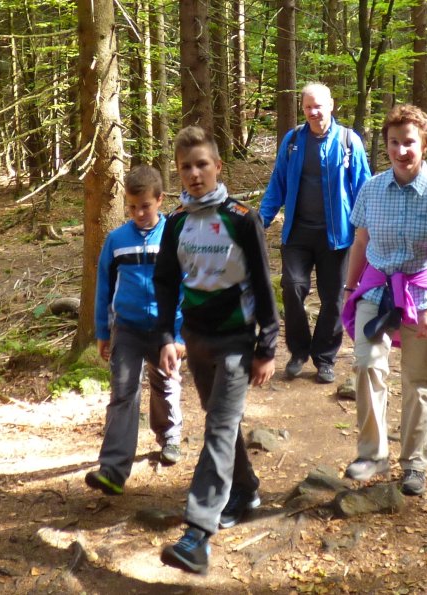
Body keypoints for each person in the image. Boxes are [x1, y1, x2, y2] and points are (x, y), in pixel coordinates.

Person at [154, 126, 278, 574]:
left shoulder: (242, 218)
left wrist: (267, 344)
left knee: (220, 429)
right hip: (197, 341)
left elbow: (264, 284)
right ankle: (245, 490)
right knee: (220, 424)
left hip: (235, 341)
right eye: (185, 167)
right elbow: (166, 282)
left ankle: (197, 534)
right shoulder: (176, 223)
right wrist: (168, 337)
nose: (193, 174)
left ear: (218, 166)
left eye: (201, 164)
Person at [340, 104, 427, 497]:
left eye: (409, 142)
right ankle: (373, 453)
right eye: (394, 143)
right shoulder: (372, 188)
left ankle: (414, 464)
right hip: (375, 291)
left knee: (416, 380)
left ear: (424, 145)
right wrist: (349, 287)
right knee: (367, 365)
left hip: (422, 295)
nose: (401, 151)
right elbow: (360, 241)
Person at [259, 83, 371, 384]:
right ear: (302, 108)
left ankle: (324, 358)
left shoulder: (349, 141)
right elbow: (278, 183)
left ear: (331, 105)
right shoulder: (293, 141)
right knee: (293, 288)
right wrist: (261, 220)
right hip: (297, 232)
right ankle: (298, 352)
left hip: (338, 236)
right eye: (308, 106)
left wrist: (369, 228)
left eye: (319, 105)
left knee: (334, 298)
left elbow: (363, 187)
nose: (314, 111)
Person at [84, 165, 185, 497]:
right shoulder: (116, 240)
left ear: (160, 200)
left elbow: (185, 287)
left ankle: (169, 436)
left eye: (146, 205)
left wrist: (180, 335)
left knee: (165, 384)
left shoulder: (174, 235)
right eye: (132, 207)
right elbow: (103, 288)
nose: (140, 213)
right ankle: (113, 469)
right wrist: (103, 332)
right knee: (123, 395)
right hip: (126, 328)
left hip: (164, 329)